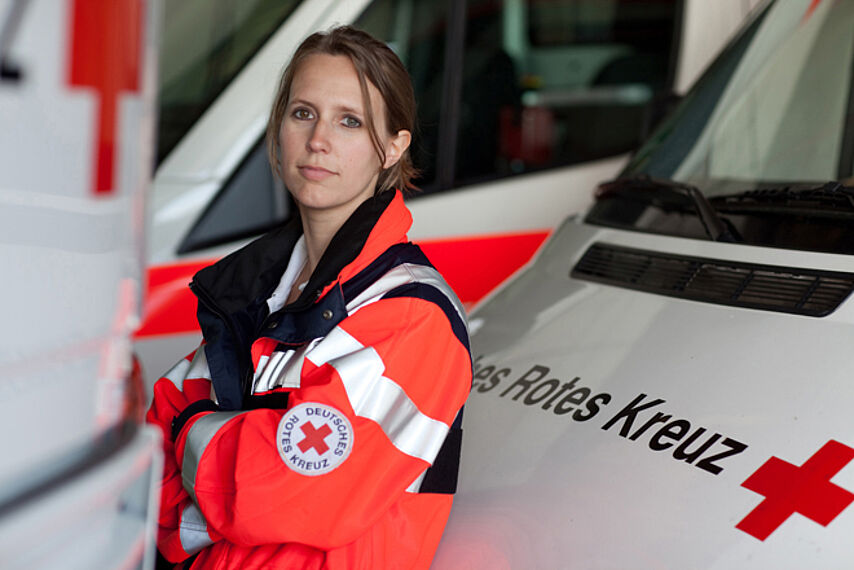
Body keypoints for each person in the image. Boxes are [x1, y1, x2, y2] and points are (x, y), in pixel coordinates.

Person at [146, 26, 472, 569]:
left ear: (393, 147)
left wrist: (194, 432)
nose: (318, 138)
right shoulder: (257, 293)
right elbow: (153, 454)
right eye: (303, 113)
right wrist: (238, 471)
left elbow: (292, 495)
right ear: (279, 129)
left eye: (351, 121)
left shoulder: (413, 314)